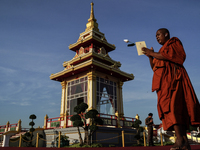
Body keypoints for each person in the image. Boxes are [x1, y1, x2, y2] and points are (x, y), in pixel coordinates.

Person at [142, 28, 200, 150]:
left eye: (158, 34)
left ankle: (180, 139)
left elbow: (177, 57)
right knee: (168, 109)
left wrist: (152, 53)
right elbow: (154, 68)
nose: (157, 37)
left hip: (174, 80)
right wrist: (150, 56)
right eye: (155, 36)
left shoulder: (174, 42)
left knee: (175, 107)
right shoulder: (160, 52)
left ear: (166, 34)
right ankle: (184, 141)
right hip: (164, 84)